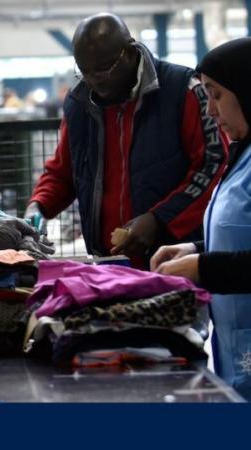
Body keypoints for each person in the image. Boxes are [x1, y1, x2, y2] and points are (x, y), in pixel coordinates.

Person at [25, 13, 228, 268]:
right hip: (109, 264)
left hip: (177, 261)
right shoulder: (80, 104)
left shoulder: (183, 91)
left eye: (102, 69)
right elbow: (63, 172)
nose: (94, 80)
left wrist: (159, 219)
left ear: (131, 53)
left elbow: (213, 166)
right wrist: (38, 207)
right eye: (84, 71)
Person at [150, 37, 251, 398]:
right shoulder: (242, 155)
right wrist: (193, 248)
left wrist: (202, 267)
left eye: (216, 94)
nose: (210, 110)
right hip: (236, 351)